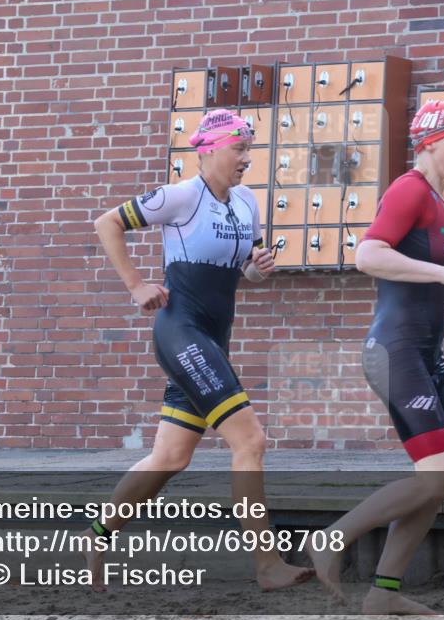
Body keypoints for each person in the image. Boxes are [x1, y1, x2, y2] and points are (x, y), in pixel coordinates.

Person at [309, 100, 444, 614]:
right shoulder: (409, 189)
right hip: (396, 352)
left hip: (427, 356)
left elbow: (440, 280)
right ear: (430, 142)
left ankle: (384, 594)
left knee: (439, 483)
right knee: (439, 476)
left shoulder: (441, 203)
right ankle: (332, 538)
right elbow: (369, 255)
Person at [84, 108, 312, 592]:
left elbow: (243, 272)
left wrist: (258, 268)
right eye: (238, 148)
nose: (246, 158)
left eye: (249, 149)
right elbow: (107, 223)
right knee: (249, 442)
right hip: (180, 332)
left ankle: (96, 536)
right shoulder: (180, 195)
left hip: (211, 339)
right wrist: (135, 284)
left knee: (169, 458)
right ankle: (268, 564)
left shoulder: (248, 202)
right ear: (208, 150)